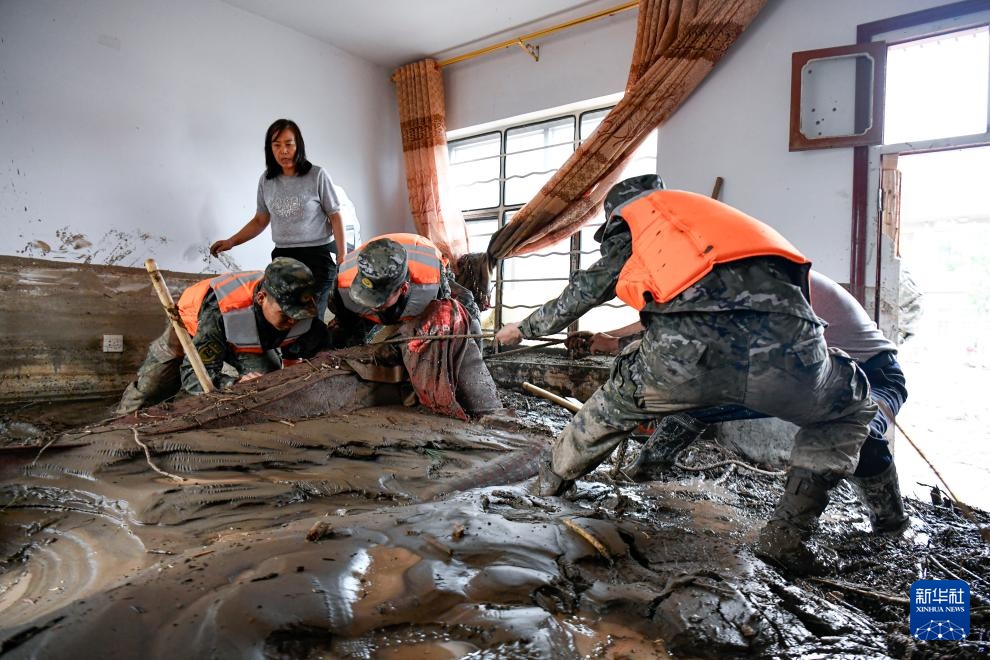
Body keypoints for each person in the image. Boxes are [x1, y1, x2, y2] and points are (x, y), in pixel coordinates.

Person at [495, 174, 877, 573]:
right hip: (794, 354)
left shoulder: (639, 217)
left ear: (614, 217)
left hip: (686, 359)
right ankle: (789, 534)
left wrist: (524, 329)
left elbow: (591, 286)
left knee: (612, 406)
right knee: (849, 408)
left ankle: (547, 489)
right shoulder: (713, 220)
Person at [568, 270, 909, 535]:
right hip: (798, 374)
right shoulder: (728, 284)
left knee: (858, 434)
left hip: (870, 374)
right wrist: (611, 341)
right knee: (697, 399)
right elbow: (670, 321)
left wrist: (619, 348)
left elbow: (690, 331)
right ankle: (647, 469)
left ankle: (889, 524)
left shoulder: (770, 285)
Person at [116, 258, 324, 415]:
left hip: (247, 340)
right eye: (286, 314)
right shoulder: (220, 309)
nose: (293, 322)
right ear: (262, 298)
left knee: (265, 384)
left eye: (299, 315)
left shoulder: (303, 306)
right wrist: (233, 384)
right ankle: (119, 425)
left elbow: (318, 354)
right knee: (152, 387)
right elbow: (194, 378)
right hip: (190, 330)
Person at [330, 233, 499, 421]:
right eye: (367, 297)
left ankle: (478, 369)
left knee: (464, 310)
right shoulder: (342, 288)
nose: (371, 305)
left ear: (403, 289)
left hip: (428, 269)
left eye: (378, 300)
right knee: (344, 336)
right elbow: (348, 329)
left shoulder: (431, 285)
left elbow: (448, 324)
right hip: (372, 281)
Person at [210, 119, 347, 317]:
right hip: (283, 257)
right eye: (277, 145)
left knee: (309, 317)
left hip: (317, 257)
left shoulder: (317, 175)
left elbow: (335, 215)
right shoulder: (266, 180)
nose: (283, 151)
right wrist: (232, 241)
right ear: (270, 149)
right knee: (282, 316)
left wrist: (342, 256)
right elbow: (260, 220)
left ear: (298, 145)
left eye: (289, 144)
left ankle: (316, 346)